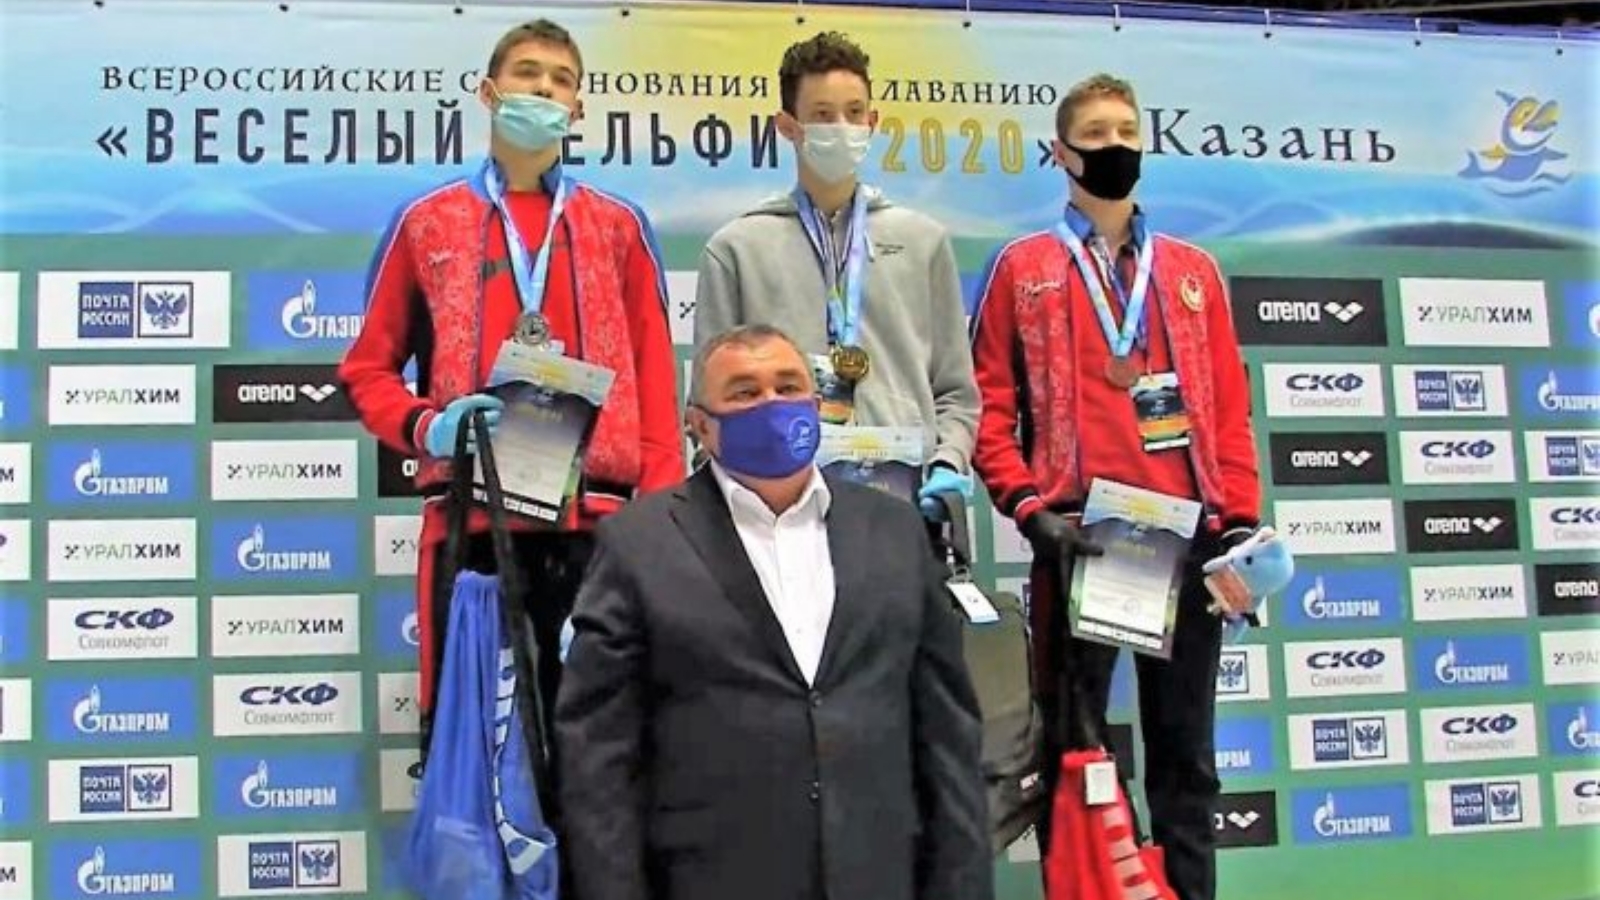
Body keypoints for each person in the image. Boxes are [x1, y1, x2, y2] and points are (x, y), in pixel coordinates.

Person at [337, 18, 683, 757]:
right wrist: (427, 426)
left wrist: (656, 521)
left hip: (600, 530)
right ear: (489, 93)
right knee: (476, 754)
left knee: (604, 755)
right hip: (472, 526)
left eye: (561, 80)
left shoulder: (619, 225)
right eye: (528, 73)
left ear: (578, 108)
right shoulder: (425, 222)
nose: (544, 89)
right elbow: (366, 369)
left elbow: (656, 380)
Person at [555, 324, 993, 900]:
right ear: (700, 424)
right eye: (744, 392)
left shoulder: (896, 530)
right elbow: (598, 759)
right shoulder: (638, 544)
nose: (772, 404)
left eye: (788, 387)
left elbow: (948, 738)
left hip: (878, 874)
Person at [968, 74, 1261, 900]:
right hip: (1080, 539)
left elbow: (1228, 411)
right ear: (1061, 153)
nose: (1114, 147)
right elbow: (989, 408)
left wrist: (1239, 522)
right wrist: (1029, 510)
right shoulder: (1022, 268)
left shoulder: (1194, 271)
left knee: (1186, 761)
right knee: (1077, 759)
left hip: (1188, 543)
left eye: (1127, 131)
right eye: (1095, 135)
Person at [692, 31, 979, 521]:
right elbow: (709, 399)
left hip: (902, 502)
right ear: (788, 126)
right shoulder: (736, 249)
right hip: (779, 504)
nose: (841, 127)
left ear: (873, 122)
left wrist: (948, 462)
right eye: (823, 115)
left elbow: (955, 390)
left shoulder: (923, 241)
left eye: (853, 112)